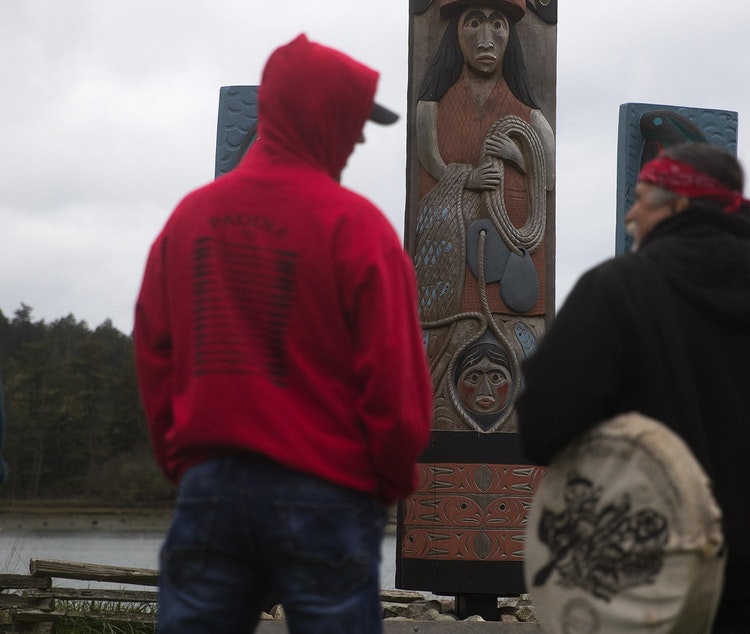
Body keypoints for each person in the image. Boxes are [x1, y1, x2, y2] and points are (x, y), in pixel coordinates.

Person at [133, 34, 432, 634]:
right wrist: (387, 487)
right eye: (352, 119)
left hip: (210, 489)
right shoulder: (359, 230)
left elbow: (153, 350)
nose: (360, 136)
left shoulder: (189, 219)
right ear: (324, 117)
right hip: (329, 494)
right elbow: (396, 387)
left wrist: (185, 462)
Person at [516, 143, 750, 633]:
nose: (631, 213)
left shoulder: (616, 291)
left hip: (634, 595)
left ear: (680, 205)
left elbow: (541, 425)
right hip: (749, 607)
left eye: (642, 198)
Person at [413, 0, 555, 431]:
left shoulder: (529, 114)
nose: (486, 38)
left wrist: (516, 154)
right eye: (473, 23)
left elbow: (547, 179)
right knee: (446, 340)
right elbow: (431, 162)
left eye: (497, 24)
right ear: (456, 33)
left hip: (515, 251)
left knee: (520, 340)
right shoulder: (432, 106)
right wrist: (468, 176)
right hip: (453, 258)